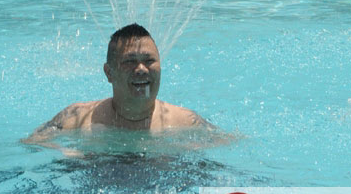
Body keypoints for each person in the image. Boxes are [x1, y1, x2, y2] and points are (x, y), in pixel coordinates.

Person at [23, 23, 214, 142]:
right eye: (130, 61)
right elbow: (31, 143)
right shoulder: (74, 119)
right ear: (109, 73)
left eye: (149, 61)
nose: (141, 69)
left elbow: (229, 145)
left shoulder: (188, 123)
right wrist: (66, 153)